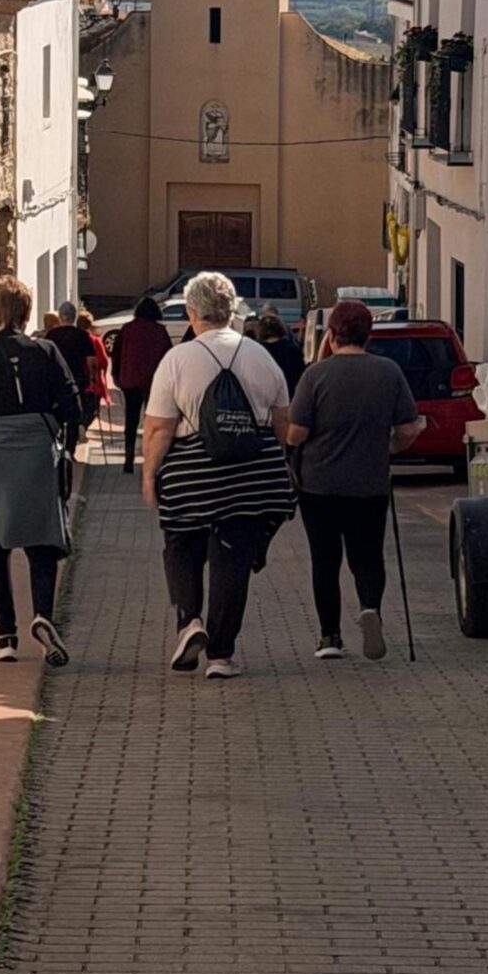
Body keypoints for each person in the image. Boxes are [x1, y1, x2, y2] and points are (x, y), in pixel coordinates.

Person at [142, 272, 295, 680]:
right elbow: (283, 422)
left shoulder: (177, 359)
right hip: (251, 474)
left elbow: (159, 427)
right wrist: (275, 462)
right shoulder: (262, 357)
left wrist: (149, 475)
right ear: (232, 311)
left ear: (192, 312)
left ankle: (190, 621)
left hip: (192, 471)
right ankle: (221, 656)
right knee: (233, 558)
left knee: (179, 541)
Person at [0, 276, 82, 667]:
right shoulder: (47, 351)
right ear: (26, 313)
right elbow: (71, 408)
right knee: (42, 544)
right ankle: (42, 615)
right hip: (36, 453)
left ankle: (5, 637)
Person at [286, 299, 425, 663]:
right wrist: (390, 447)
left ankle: (329, 635)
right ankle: (370, 608)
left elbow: (296, 432)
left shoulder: (315, 376)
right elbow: (409, 428)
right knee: (367, 556)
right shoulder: (389, 372)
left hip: (318, 485)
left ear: (331, 334)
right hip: (370, 483)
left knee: (325, 559)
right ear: (369, 335)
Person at [110, 296, 172, 473]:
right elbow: (167, 356)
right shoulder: (160, 331)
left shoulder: (127, 329)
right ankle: (151, 458)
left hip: (130, 381)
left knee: (131, 420)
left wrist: (116, 374)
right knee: (152, 420)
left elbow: (116, 354)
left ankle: (128, 458)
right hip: (154, 382)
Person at [47, 300, 97, 453]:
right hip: (77, 380)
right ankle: (70, 450)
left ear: (60, 317)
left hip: (55, 382)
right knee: (74, 415)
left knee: (57, 414)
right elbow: (91, 360)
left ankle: (58, 445)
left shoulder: (51, 335)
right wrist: (92, 378)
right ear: (74, 317)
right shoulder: (82, 336)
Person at [257, 309, 305, 398]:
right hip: (288, 396)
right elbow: (301, 376)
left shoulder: (257, 351)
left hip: (262, 399)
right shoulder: (293, 350)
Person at [77, 311, 109, 433]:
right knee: (92, 409)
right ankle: (82, 427)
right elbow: (103, 361)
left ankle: (80, 427)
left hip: (78, 378)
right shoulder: (95, 340)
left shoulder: (73, 338)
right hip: (92, 380)